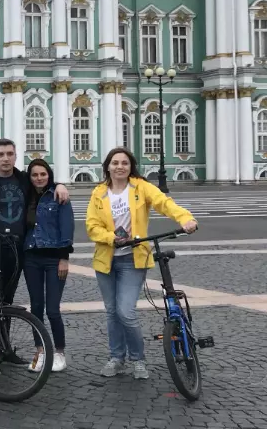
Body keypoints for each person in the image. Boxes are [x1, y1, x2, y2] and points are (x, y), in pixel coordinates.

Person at [85, 147, 198, 380]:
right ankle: (117, 358)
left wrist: (185, 219)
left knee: (126, 311)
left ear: (130, 166)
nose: (119, 167)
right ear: (107, 166)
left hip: (132, 259)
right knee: (112, 313)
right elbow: (92, 226)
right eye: (115, 163)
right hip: (106, 259)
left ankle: (138, 359)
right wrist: (111, 239)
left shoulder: (140, 188)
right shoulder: (99, 193)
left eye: (124, 163)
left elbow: (164, 203)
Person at [0, 139, 68, 369]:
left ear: (16, 156)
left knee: (6, 300)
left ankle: (4, 348)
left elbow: (43, 184)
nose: (5, 158)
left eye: (9, 154)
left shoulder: (23, 180)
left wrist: (59, 185)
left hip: (17, 248)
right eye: (1, 154)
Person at [22, 159, 74, 373]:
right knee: (35, 308)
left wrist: (64, 258)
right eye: (34, 175)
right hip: (31, 257)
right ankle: (40, 351)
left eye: (43, 174)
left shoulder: (58, 195)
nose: (39, 178)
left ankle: (59, 352)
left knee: (52, 309)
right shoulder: (25, 195)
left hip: (54, 259)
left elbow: (67, 227)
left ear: (49, 175)